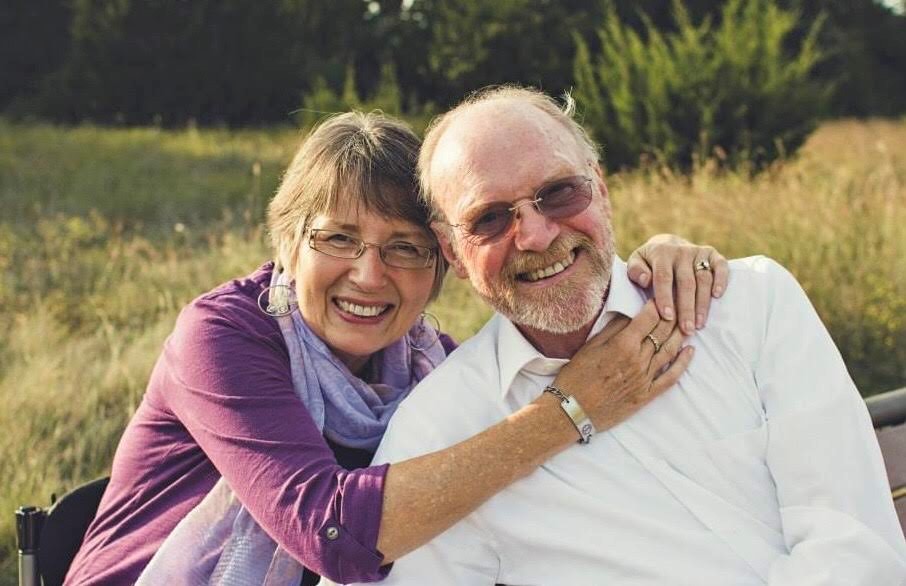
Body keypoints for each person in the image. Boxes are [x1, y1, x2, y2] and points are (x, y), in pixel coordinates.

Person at [64, 111, 728, 585]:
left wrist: (656, 269)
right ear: (287, 244)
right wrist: (569, 410)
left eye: (404, 248)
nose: (369, 275)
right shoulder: (223, 336)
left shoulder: (433, 366)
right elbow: (331, 532)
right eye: (338, 239)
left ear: (444, 265)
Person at [357, 87, 906, 585]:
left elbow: (854, 549)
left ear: (600, 189)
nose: (536, 236)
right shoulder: (439, 428)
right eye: (490, 219)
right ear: (451, 250)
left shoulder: (751, 304)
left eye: (559, 193)